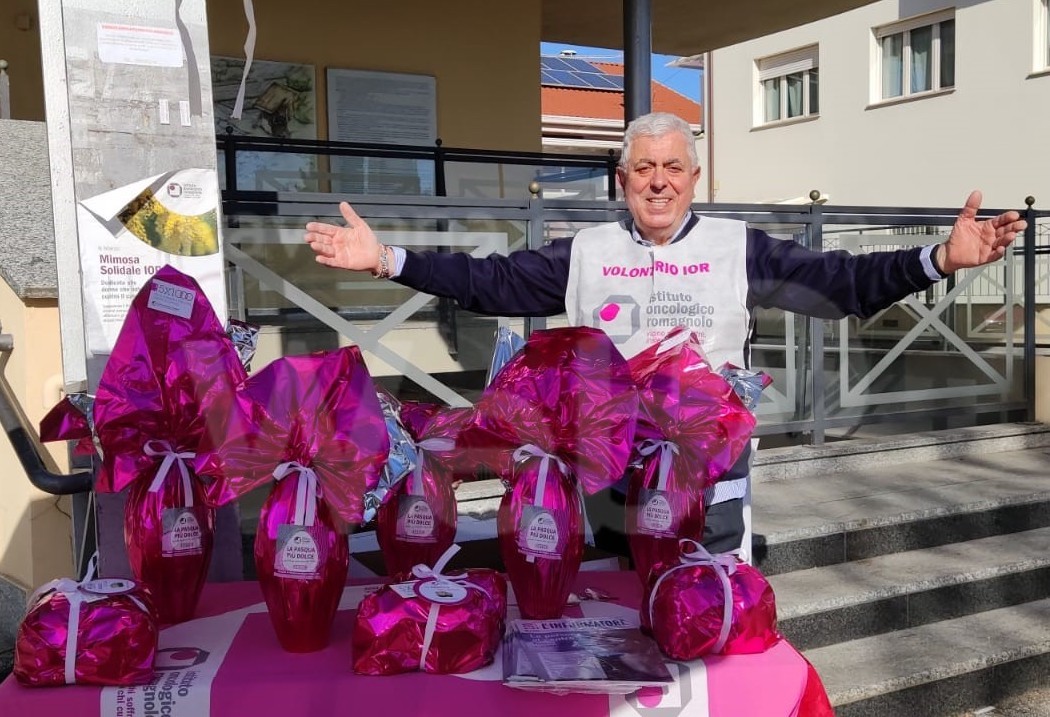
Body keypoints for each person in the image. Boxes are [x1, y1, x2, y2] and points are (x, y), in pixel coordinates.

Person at [304, 112, 1026, 557]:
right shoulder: (585, 251)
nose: (658, 181)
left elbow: (840, 282)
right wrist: (387, 258)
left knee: (705, 607)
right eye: (643, 168)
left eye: (672, 167)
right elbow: (489, 280)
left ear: (694, 177)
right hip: (606, 468)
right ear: (621, 180)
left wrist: (939, 258)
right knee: (616, 603)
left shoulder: (737, 245)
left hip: (708, 471)